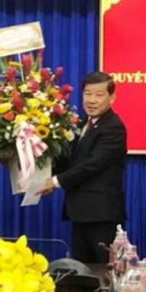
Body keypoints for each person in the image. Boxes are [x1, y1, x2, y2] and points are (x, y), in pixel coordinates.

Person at [37, 71, 127, 263]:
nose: (92, 100)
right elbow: (71, 160)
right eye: (87, 94)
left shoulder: (113, 127)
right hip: (81, 212)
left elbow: (92, 165)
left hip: (101, 215)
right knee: (83, 269)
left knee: (103, 270)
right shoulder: (83, 124)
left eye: (98, 95)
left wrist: (55, 182)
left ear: (111, 98)